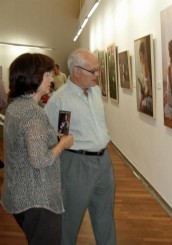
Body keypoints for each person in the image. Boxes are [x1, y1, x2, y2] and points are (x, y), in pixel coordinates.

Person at [45, 49, 117, 245]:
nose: (97, 75)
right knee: (70, 220)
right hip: (76, 164)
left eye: (98, 70)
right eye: (92, 71)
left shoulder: (95, 92)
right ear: (76, 71)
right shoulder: (60, 100)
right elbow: (55, 136)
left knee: (105, 217)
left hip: (104, 162)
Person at [1, 53, 74, 245]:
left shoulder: (14, 107)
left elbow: (25, 148)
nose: (51, 78)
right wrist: (62, 144)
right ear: (33, 77)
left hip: (18, 196)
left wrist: (52, 140)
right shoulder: (33, 113)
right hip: (38, 199)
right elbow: (40, 160)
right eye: (47, 74)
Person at [138, 41, 153, 115]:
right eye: (140, 56)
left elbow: (148, 88)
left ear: (144, 54)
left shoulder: (144, 66)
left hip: (147, 98)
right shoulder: (143, 65)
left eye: (142, 56)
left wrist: (142, 98)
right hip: (144, 96)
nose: (141, 58)